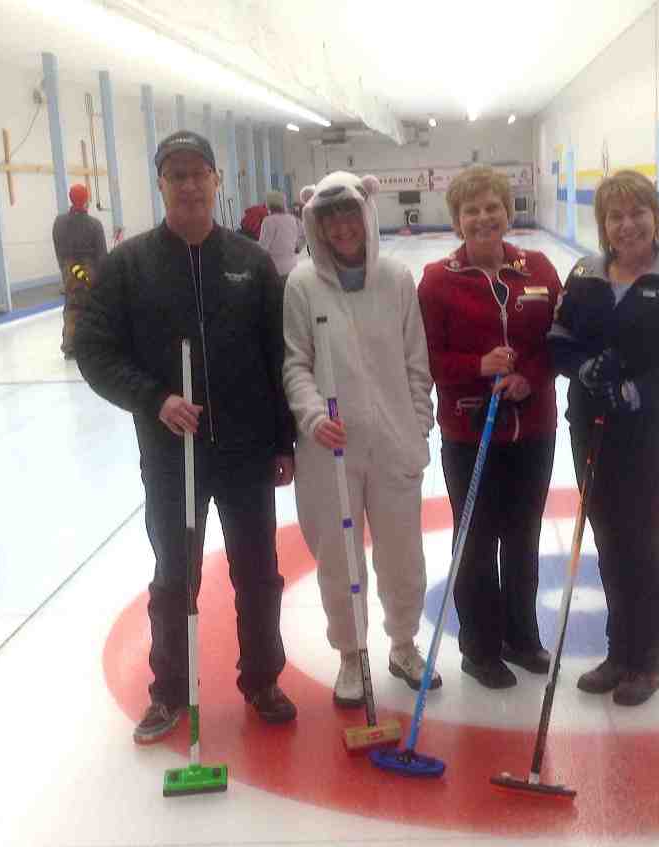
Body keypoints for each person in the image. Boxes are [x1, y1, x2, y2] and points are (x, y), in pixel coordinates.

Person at [75, 130, 298, 743]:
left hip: (247, 451)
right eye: (177, 175)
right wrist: (155, 400)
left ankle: (263, 679)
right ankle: (169, 691)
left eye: (199, 172)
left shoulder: (251, 262)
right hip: (172, 455)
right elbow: (93, 349)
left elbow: (277, 354)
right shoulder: (129, 266)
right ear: (162, 184)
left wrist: (284, 440)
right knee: (175, 577)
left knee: (259, 573)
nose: (190, 184)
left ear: (216, 180)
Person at [547, 169, 659, 706]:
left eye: (637, 212)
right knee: (610, 540)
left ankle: (648, 660)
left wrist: (637, 391)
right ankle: (619, 652)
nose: (627, 224)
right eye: (615, 216)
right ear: (603, 224)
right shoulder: (584, 273)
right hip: (591, 427)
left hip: (650, 431)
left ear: (655, 216)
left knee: (646, 541)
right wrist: (584, 368)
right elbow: (559, 341)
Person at [282, 171, 439, 707]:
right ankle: (351, 654)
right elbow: (296, 362)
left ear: (366, 214)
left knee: (403, 554)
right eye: (330, 219)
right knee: (338, 558)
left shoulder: (396, 279)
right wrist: (311, 415)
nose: (342, 227)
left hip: (394, 443)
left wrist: (417, 424)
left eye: (349, 214)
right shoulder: (303, 285)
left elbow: (417, 361)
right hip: (330, 449)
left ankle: (403, 644)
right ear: (316, 225)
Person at [417, 165, 562, 690]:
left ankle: (521, 637)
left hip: (533, 429)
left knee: (523, 538)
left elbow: (560, 341)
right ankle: (479, 649)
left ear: (508, 210)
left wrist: (530, 376)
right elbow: (425, 357)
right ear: (457, 219)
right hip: (470, 432)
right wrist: (475, 366)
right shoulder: (438, 280)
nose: (483, 217)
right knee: (476, 542)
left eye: (492, 206)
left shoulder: (538, 269)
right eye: (471, 210)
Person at [52, 183, 107, 358]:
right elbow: (101, 254)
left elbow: (58, 248)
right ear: (86, 201)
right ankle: (92, 344)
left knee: (72, 307)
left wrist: (64, 268)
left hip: (70, 270)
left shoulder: (59, 223)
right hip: (88, 270)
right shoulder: (94, 225)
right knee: (92, 307)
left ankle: (70, 347)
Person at [258, 190, 303, 282]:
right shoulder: (293, 219)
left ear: (269, 204)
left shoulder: (269, 221)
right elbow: (298, 240)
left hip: (276, 269)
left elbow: (263, 247)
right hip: (293, 267)